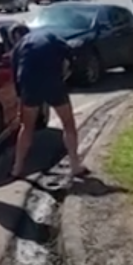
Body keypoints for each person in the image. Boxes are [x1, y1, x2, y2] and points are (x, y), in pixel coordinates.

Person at [9, 24, 87, 179]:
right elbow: (70, 51)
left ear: (16, 37)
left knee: (27, 127)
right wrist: (67, 72)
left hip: (29, 84)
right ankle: (75, 165)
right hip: (52, 81)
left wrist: (20, 105)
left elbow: (16, 80)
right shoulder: (49, 35)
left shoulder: (17, 49)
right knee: (68, 123)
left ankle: (17, 168)